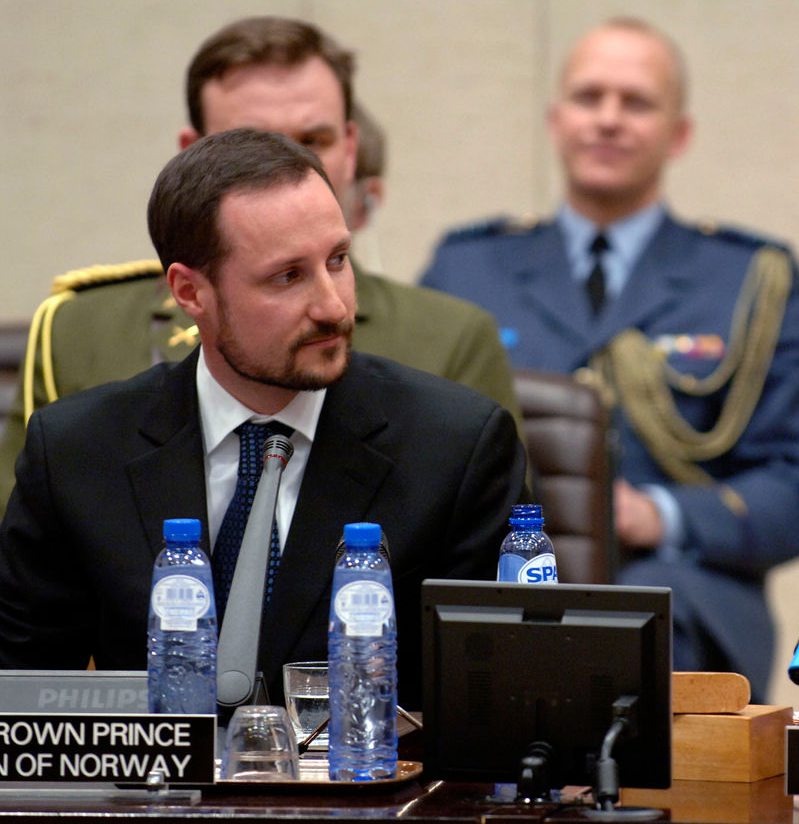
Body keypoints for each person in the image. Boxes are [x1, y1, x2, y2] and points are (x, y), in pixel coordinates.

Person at [0, 129, 527, 707]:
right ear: (190, 293)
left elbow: (492, 707)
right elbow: (20, 697)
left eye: (338, 261)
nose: (333, 306)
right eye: (288, 276)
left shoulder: (455, 448)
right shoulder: (76, 452)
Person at [421, 17, 799, 699]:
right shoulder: (467, 268)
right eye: (589, 97)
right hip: (500, 586)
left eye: (637, 102)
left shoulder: (748, 279)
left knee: (646, 626)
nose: (608, 119)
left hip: (681, 602)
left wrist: (659, 515)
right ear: (556, 121)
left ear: (679, 134)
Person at [0, 16, 522, 510]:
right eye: (247, 145)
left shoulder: (449, 341)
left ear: (351, 148)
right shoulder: (79, 332)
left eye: (313, 140)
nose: (286, 170)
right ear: (191, 153)